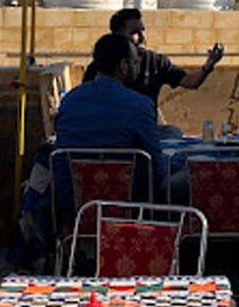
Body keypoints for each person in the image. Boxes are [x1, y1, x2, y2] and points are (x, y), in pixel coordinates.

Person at [55, 34, 167, 207]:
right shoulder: (140, 106)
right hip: (129, 207)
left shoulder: (69, 101)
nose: (137, 69)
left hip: (75, 206)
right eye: (135, 63)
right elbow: (156, 169)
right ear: (123, 66)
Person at [83, 8, 225, 122]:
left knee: (172, 133)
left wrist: (208, 65)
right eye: (135, 32)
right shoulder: (100, 65)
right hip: (112, 129)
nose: (142, 37)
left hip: (143, 126)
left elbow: (190, 82)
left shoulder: (155, 62)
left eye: (142, 30)